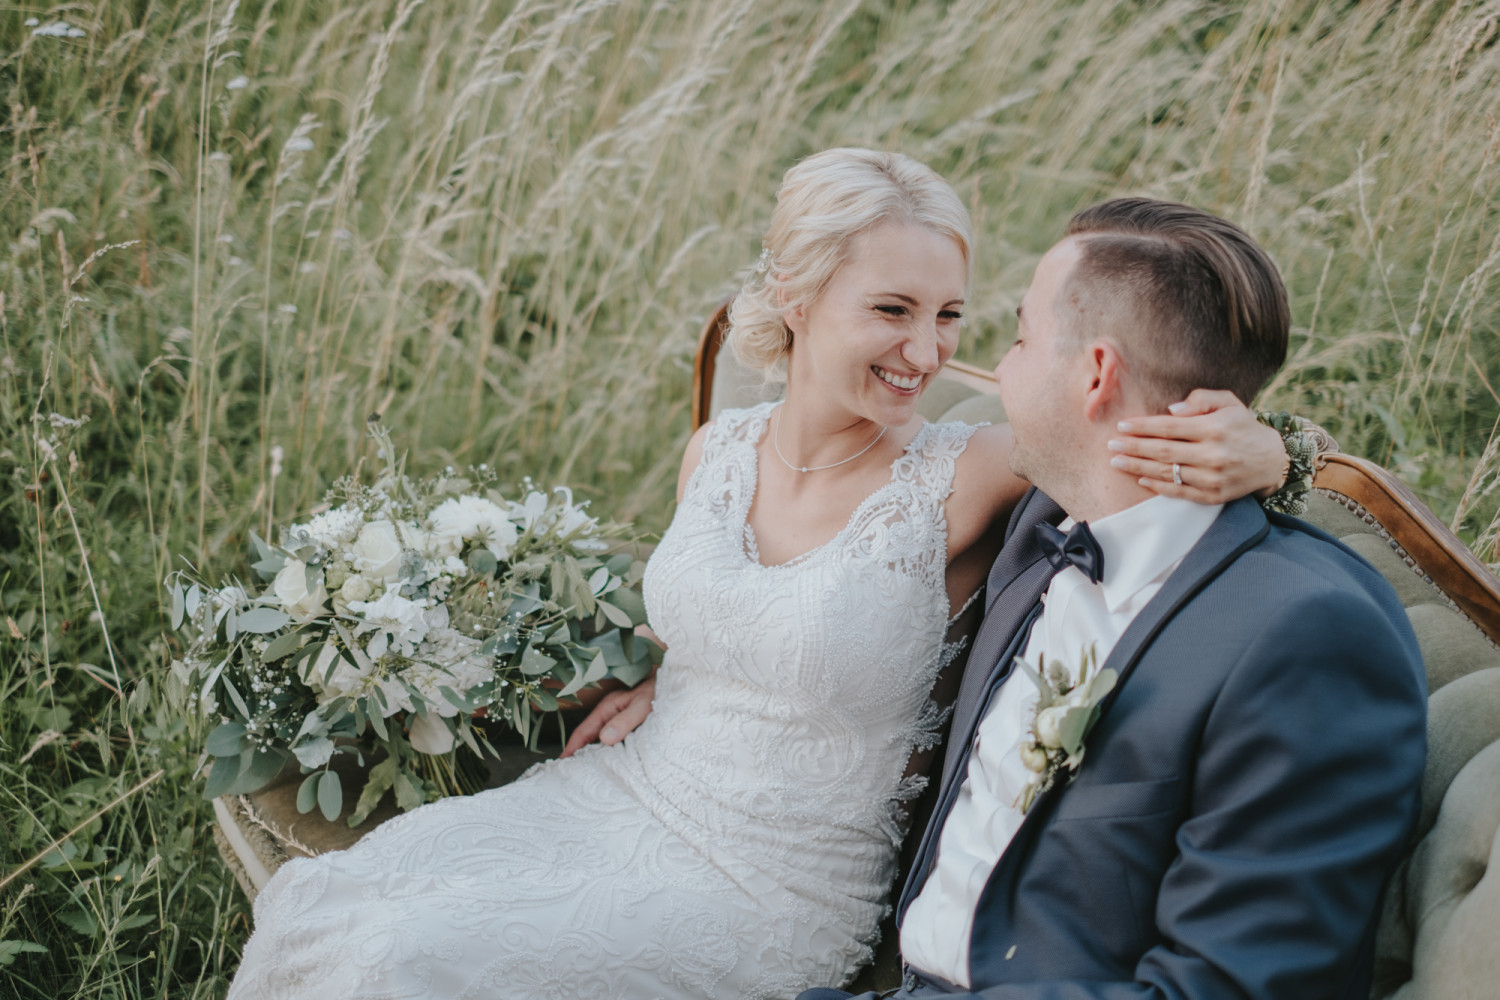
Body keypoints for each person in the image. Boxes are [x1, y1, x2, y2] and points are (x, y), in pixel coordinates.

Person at [226, 153, 1291, 1000]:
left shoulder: (966, 474)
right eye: (893, 310)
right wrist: (667, 671)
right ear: (797, 292)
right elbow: (721, 625)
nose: (927, 351)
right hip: (618, 796)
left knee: (400, 963)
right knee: (333, 902)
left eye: (952, 316)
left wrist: (1284, 455)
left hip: (772, 890)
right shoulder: (718, 451)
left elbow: (1124, 425)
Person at [797, 199, 1427, 1000]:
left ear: (1095, 374)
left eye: (1022, 336)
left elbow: (1226, 988)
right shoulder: (1040, 522)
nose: (1001, 367)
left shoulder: (1309, 635)